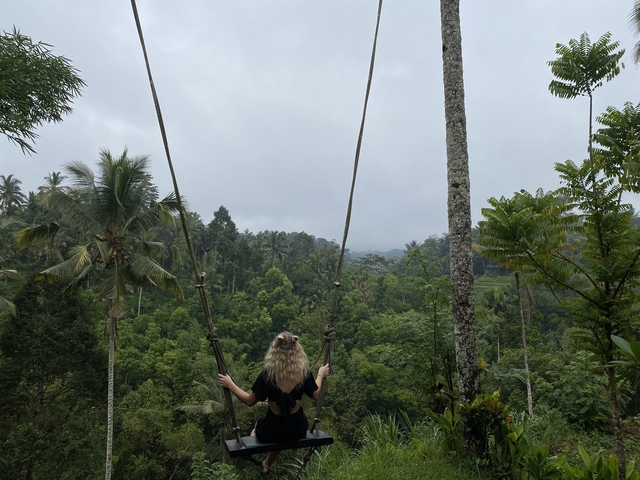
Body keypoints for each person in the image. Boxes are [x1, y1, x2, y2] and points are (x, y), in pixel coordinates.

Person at [218, 331, 330, 472]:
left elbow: (249, 401)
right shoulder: (303, 373)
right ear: (298, 352)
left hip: (271, 431)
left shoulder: (268, 375)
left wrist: (230, 384)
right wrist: (321, 374)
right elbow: (315, 393)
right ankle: (267, 463)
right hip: (297, 430)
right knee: (284, 432)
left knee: (262, 423)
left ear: (274, 351)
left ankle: (256, 433)